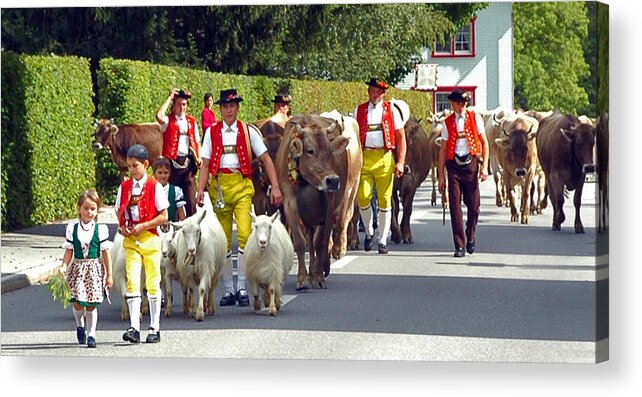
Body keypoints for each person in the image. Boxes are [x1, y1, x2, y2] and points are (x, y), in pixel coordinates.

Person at [196, 88, 283, 307]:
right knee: (223, 241)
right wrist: (200, 189)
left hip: (242, 185)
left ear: (237, 108)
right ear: (221, 109)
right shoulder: (211, 132)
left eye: (232, 106)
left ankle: (243, 287)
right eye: (225, 106)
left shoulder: (248, 131)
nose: (228, 110)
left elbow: (265, 158)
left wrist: (275, 187)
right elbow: (205, 163)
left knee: (245, 234)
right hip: (219, 188)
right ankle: (228, 290)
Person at [115, 144, 169, 343]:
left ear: (145, 164)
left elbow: (164, 215)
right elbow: (119, 212)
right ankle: (134, 327)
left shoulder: (155, 186)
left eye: (135, 166)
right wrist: (123, 227)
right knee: (133, 282)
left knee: (153, 282)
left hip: (150, 239)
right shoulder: (125, 187)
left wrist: (144, 225)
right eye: (129, 166)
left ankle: (154, 327)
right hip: (131, 240)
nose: (131, 170)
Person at [354, 78, 407, 254]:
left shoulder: (391, 110)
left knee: (385, 200)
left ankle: (382, 239)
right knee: (363, 197)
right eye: (372, 91)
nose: (374, 95)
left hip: (384, 157)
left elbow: (400, 137)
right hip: (365, 157)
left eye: (378, 92)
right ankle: (369, 231)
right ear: (368, 91)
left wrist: (400, 161)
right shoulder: (359, 110)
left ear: (383, 94)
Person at [437, 88, 489, 258]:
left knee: (474, 207)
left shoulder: (475, 118)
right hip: (453, 166)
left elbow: (484, 142)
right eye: (454, 103)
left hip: (471, 164)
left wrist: (484, 166)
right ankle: (459, 244)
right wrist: (441, 175)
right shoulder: (447, 122)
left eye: (459, 103)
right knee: (454, 205)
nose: (457, 106)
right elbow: (443, 149)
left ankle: (471, 234)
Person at [61, 189, 113, 348]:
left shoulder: (100, 229)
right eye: (86, 208)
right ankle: (79, 323)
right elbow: (69, 250)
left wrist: (109, 274)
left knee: (91, 304)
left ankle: (92, 334)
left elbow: (105, 253)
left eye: (93, 209)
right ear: (79, 208)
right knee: (78, 302)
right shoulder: (73, 228)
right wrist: (63, 265)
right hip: (78, 269)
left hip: (94, 269)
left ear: (97, 210)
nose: (89, 212)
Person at [156, 88, 202, 218]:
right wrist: (170, 97)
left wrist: (199, 158)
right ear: (174, 105)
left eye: (184, 104)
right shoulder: (167, 120)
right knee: (172, 200)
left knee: (191, 200)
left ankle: (193, 228)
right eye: (178, 104)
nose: (181, 107)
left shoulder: (192, 122)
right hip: (172, 165)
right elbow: (158, 116)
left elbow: (197, 142)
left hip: (188, 166)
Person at [152, 157, 187, 223]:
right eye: (160, 173)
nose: (163, 176)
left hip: (171, 227)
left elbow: (181, 212)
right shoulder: (150, 190)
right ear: (154, 174)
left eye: (166, 173)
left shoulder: (175, 191)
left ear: (170, 174)